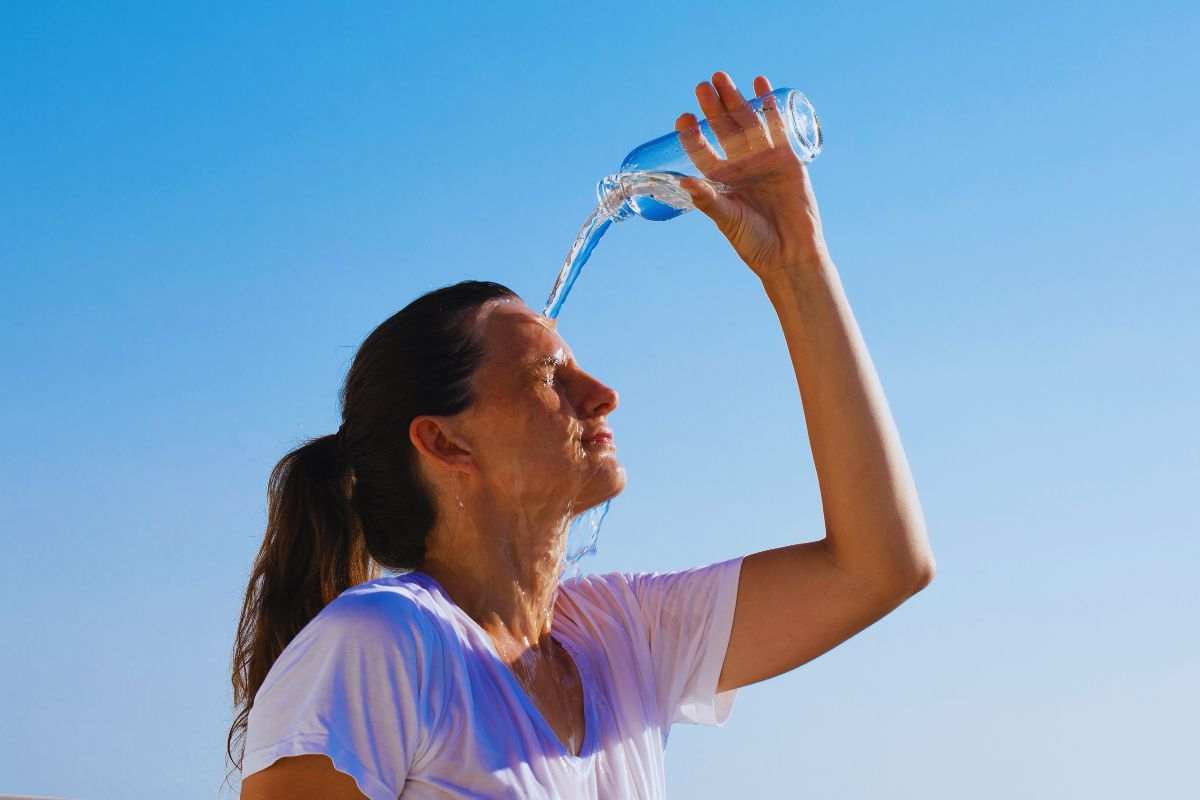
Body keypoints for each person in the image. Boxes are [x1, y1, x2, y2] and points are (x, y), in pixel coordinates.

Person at [230, 71, 935, 799]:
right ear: (445, 443)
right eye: (547, 377)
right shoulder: (382, 644)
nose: (602, 395)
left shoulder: (620, 637)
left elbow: (881, 566)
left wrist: (797, 266)